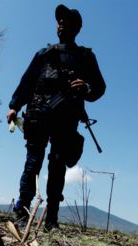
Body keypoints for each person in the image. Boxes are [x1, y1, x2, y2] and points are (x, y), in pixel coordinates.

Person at [7, 4, 106, 231]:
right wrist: (14, 106)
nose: (61, 23)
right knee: (33, 162)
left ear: (77, 27)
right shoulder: (43, 54)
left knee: (58, 165)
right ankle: (22, 211)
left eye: (67, 20)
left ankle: (51, 218)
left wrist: (87, 87)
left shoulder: (85, 57)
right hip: (38, 113)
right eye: (59, 20)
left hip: (66, 117)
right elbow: (27, 82)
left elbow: (100, 87)